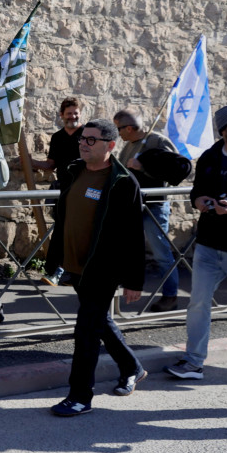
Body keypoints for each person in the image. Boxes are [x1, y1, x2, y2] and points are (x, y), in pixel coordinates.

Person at [46, 119, 146, 416]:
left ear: (110, 145)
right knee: (99, 320)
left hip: (102, 269)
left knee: (86, 331)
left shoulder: (123, 182)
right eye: (82, 139)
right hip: (74, 265)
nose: (83, 144)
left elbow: (134, 236)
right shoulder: (74, 171)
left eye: (91, 140)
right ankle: (132, 366)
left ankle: (80, 396)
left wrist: (133, 280)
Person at [164, 105, 227, 380]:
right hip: (207, 245)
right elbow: (196, 191)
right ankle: (193, 362)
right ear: (225, 128)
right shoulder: (209, 157)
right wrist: (200, 202)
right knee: (198, 303)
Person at [114, 109, 181, 312]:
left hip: (155, 205)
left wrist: (142, 166)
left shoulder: (157, 141)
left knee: (161, 253)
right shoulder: (128, 147)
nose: (119, 134)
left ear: (129, 128)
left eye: (119, 129)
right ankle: (120, 292)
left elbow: (176, 169)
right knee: (125, 249)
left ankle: (170, 296)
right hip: (133, 205)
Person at [34, 98, 83, 286]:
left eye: (76, 112)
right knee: (62, 230)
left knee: (78, 232)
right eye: (69, 113)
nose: (73, 116)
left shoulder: (87, 134)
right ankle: (58, 271)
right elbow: (51, 164)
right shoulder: (57, 137)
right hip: (64, 190)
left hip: (85, 190)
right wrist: (31, 163)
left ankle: (71, 271)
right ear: (62, 115)